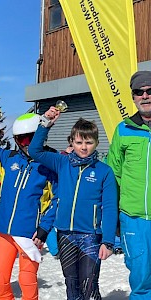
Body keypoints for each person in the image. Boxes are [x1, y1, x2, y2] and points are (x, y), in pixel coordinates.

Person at [28, 109, 118, 300]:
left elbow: (110, 208)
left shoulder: (104, 172)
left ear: (96, 143)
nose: (84, 147)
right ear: (72, 142)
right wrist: (46, 123)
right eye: (79, 142)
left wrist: (108, 241)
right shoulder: (62, 163)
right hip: (65, 235)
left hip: (90, 237)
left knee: (89, 285)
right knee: (72, 285)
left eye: (88, 142)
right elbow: (34, 151)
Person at [0, 110, 58, 300]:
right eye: (20, 140)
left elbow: (58, 199)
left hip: (30, 235)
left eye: (29, 138)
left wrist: (44, 228)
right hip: (6, 230)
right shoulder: (9, 158)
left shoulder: (50, 164)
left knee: (27, 280)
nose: (25, 144)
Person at [108, 70, 151, 299]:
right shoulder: (123, 130)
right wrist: (111, 216)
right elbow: (113, 176)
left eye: (150, 90)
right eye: (139, 92)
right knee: (141, 279)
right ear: (133, 97)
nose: (145, 96)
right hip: (133, 219)